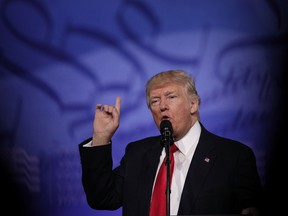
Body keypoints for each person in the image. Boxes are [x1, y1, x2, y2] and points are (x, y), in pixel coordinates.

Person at [79, 69, 263, 216]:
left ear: (193, 104)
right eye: (155, 101)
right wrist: (101, 137)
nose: (162, 106)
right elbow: (101, 198)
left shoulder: (233, 156)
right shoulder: (137, 153)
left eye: (171, 97)